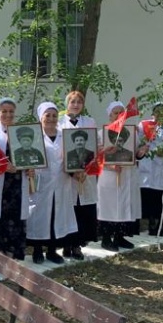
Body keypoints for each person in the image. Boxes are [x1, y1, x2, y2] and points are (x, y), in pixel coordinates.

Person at [26, 102, 76, 264]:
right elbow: (25, 157)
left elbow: (72, 157)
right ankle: (37, 250)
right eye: (47, 115)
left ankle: (52, 251)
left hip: (61, 182)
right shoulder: (34, 136)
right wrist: (28, 169)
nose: (51, 119)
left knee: (56, 214)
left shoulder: (65, 136)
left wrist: (76, 168)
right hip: (40, 182)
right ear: (41, 118)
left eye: (54, 116)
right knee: (38, 216)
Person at [0, 97, 30, 260]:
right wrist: (3, 166)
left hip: (17, 183)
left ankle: (11, 253)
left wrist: (28, 167)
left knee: (13, 218)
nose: (8, 115)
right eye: (4, 111)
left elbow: (29, 156)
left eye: (11, 112)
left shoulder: (21, 132)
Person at [98, 101, 144, 251]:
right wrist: (110, 165)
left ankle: (120, 237)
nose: (118, 115)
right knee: (109, 207)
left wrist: (141, 152)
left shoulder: (132, 133)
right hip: (109, 176)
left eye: (121, 113)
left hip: (128, 175)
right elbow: (96, 156)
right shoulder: (102, 133)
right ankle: (106, 239)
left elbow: (136, 154)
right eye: (115, 113)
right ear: (110, 115)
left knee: (125, 207)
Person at [59, 91, 98, 259]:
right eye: (72, 102)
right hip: (66, 174)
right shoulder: (59, 123)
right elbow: (58, 148)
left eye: (79, 102)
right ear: (67, 104)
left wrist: (86, 168)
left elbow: (94, 146)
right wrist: (71, 171)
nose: (76, 105)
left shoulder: (89, 122)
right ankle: (66, 244)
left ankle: (77, 246)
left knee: (82, 210)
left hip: (86, 174)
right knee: (68, 209)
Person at [140, 102, 163, 236]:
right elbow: (138, 144)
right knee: (151, 197)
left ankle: (162, 225)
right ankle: (152, 223)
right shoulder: (144, 125)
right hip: (149, 167)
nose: (160, 114)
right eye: (158, 111)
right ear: (153, 113)